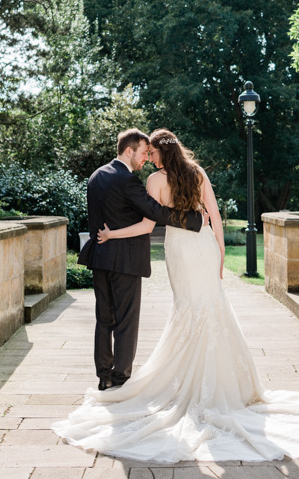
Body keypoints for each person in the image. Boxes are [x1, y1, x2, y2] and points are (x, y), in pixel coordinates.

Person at [52, 128, 299, 463]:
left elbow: (149, 225)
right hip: (202, 247)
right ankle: (228, 386)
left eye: (152, 153)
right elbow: (214, 216)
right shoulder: (198, 172)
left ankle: (136, 379)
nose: (148, 159)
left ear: (160, 153)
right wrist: (218, 253)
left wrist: (112, 233)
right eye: (144, 154)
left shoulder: (152, 182)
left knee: (185, 309)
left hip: (179, 250)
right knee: (212, 306)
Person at [80, 128, 206, 391]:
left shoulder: (95, 177)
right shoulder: (128, 181)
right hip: (125, 261)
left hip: (99, 256)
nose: (146, 158)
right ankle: (121, 376)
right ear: (129, 151)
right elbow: (155, 212)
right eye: (143, 153)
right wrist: (193, 220)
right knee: (126, 319)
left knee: (104, 318)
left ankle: (103, 375)